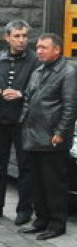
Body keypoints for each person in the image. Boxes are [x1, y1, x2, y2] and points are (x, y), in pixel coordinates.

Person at [19, 33, 77, 240]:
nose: (38, 51)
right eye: (37, 47)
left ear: (57, 50)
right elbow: (28, 98)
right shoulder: (37, 70)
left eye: (44, 47)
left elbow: (71, 108)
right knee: (37, 183)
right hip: (32, 135)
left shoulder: (68, 72)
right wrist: (23, 122)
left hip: (52, 138)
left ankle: (56, 224)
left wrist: (60, 133)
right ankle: (41, 220)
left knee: (53, 184)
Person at [0, 20, 39, 225]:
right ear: (7, 37)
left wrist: (20, 94)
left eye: (24, 36)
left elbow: (41, 90)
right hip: (1, 120)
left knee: (26, 168)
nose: (21, 40)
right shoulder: (0, 58)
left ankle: (24, 210)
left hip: (24, 121)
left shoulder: (35, 61)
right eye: (17, 36)